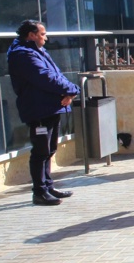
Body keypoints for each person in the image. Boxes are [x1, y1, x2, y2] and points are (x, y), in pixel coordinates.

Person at [7, 20, 80, 207]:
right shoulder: (23, 55)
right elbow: (45, 78)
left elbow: (56, 74)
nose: (46, 38)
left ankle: (48, 186)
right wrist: (73, 89)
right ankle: (39, 192)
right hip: (38, 109)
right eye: (42, 34)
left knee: (50, 149)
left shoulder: (37, 51)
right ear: (31, 35)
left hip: (50, 107)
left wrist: (70, 92)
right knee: (41, 151)